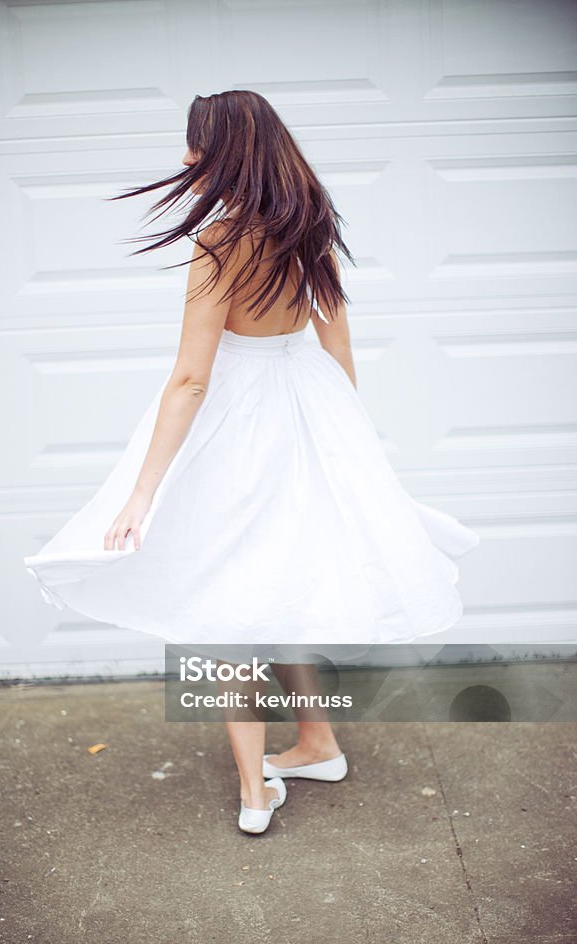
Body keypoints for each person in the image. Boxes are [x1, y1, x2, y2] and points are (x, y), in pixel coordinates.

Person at [24, 90, 480, 834]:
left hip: (236, 422)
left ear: (227, 150)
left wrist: (143, 492)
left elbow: (192, 378)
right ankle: (316, 742)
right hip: (305, 410)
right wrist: (346, 439)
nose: (184, 159)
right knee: (285, 580)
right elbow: (337, 346)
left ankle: (255, 791)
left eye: (194, 145)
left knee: (227, 597)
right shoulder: (313, 226)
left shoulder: (219, 242)